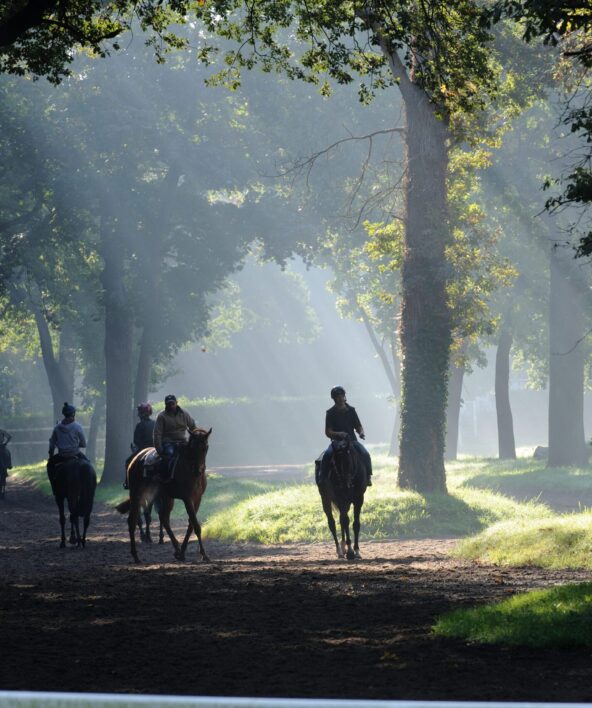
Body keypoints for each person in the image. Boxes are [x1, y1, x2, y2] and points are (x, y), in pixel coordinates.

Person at [318, 386, 372, 486]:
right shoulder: (330, 413)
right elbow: (328, 432)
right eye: (337, 397)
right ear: (334, 398)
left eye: (341, 396)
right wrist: (338, 434)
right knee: (327, 455)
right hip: (337, 442)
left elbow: (358, 425)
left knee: (365, 453)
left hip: (352, 441)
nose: (340, 398)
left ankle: (368, 476)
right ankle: (323, 478)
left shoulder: (351, 410)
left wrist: (361, 433)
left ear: (344, 396)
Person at [153, 394, 197, 482]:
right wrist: (159, 449)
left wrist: (196, 438)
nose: (171, 406)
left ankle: (195, 475)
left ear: (176, 403)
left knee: (193, 455)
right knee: (169, 454)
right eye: (168, 404)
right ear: (165, 404)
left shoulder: (184, 414)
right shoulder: (161, 416)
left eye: (172, 403)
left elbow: (193, 427)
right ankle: (164, 477)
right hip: (168, 442)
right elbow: (157, 434)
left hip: (182, 441)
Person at [47, 403, 89, 488]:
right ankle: (87, 487)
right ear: (73, 414)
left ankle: (54, 487)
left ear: (64, 414)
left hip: (61, 456)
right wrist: (76, 445)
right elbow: (83, 444)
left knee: (49, 465)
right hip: (75, 454)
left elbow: (52, 445)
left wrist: (51, 456)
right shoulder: (78, 426)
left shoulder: (57, 427)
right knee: (88, 465)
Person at [123, 403, 155, 489]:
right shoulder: (155, 423)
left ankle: (127, 482)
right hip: (155, 450)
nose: (138, 414)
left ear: (142, 413)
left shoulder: (140, 425)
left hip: (143, 450)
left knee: (128, 462)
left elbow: (136, 441)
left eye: (139, 412)